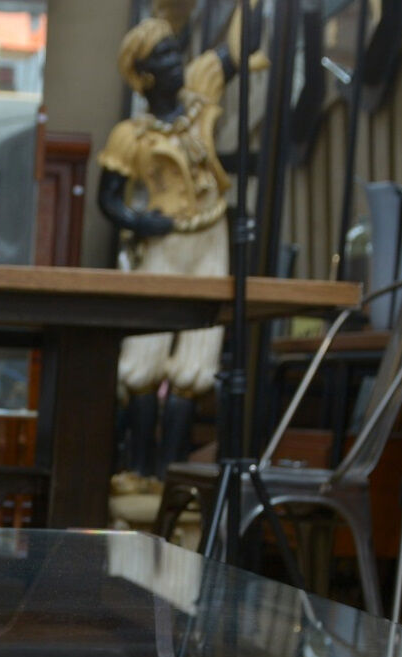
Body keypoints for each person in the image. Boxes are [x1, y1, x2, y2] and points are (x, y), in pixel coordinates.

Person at [98, 11, 256, 484]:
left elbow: (239, 49)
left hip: (210, 237)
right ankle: (139, 469)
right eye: (163, 55)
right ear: (144, 73)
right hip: (162, 244)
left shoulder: (201, 98)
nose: (175, 60)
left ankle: (173, 475)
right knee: (143, 356)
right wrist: (142, 220)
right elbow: (109, 199)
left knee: (197, 362)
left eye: (174, 50)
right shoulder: (132, 135)